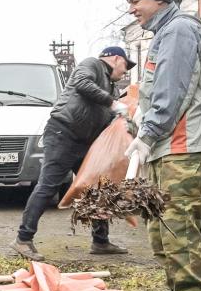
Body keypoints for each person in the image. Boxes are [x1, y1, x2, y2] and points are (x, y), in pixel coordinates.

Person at [125, 0, 201, 291]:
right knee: (161, 233)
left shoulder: (179, 30)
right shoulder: (165, 32)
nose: (131, 9)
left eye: (136, 1)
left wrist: (146, 135)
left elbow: (171, 91)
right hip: (167, 146)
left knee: (179, 231)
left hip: (182, 144)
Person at [10, 46, 136, 262]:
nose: (126, 72)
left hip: (84, 141)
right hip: (63, 133)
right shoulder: (92, 65)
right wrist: (113, 103)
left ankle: (100, 241)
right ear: (115, 59)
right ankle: (23, 239)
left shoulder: (110, 86)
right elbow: (82, 83)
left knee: (97, 187)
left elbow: (104, 117)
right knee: (48, 186)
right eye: (125, 65)